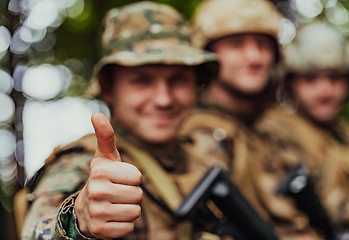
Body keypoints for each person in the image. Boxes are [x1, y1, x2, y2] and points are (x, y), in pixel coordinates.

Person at [20, 2, 219, 240]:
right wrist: (78, 219)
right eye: (142, 80)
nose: (164, 99)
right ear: (110, 88)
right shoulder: (81, 162)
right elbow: (37, 228)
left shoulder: (207, 155)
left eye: (178, 80)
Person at [177, 0, 284, 224]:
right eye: (236, 45)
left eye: (263, 45)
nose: (254, 57)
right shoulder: (200, 133)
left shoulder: (269, 127)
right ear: (207, 55)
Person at [252, 21, 349, 238]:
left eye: (334, 78)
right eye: (310, 79)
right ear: (291, 84)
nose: (325, 91)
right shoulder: (275, 132)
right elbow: (285, 217)